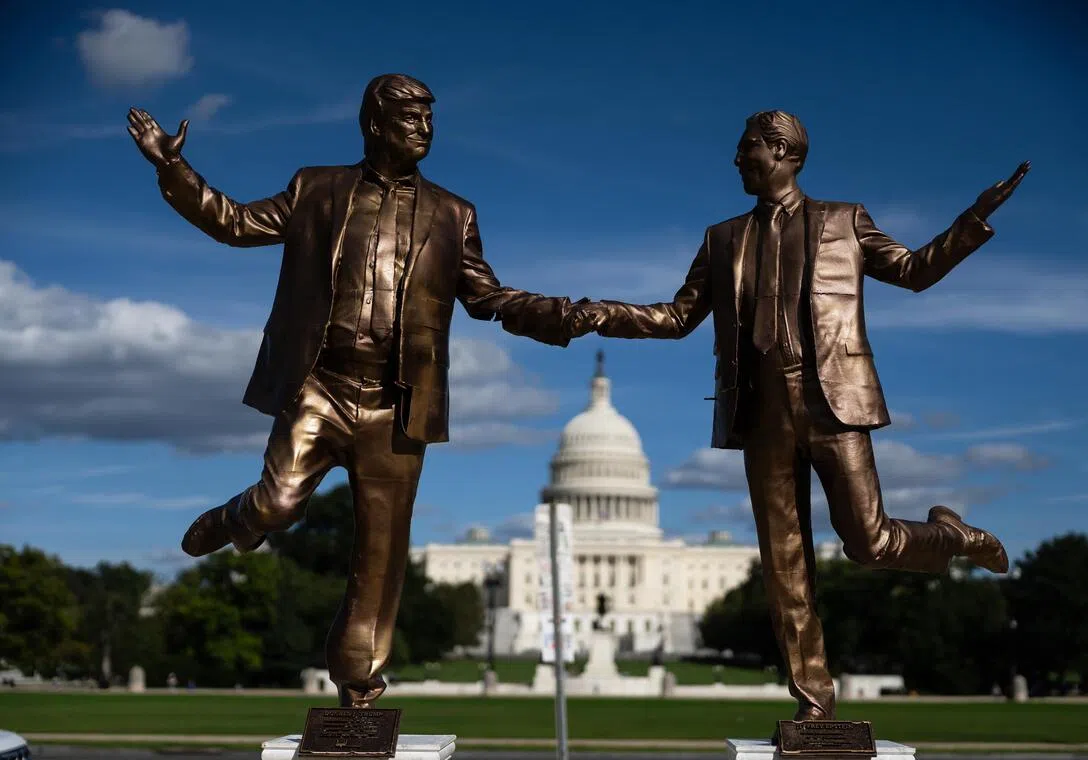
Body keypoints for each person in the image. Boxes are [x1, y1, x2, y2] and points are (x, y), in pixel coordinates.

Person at [127, 74, 582, 708]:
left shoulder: (454, 213)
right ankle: (236, 519)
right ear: (374, 124)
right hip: (320, 385)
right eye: (411, 118)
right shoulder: (316, 188)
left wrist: (565, 314)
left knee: (380, 554)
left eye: (429, 117)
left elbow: (488, 297)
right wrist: (173, 167)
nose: (425, 129)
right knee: (279, 504)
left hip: (396, 403)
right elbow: (232, 223)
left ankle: (358, 687)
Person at [568, 110, 1028, 720]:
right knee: (785, 565)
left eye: (747, 149)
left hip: (832, 402)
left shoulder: (845, 220)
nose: (736, 161)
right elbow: (677, 318)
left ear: (783, 152)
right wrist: (595, 313)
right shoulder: (722, 237)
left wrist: (972, 222)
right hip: (760, 413)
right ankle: (814, 701)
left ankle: (951, 535)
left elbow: (915, 272)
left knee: (869, 544)